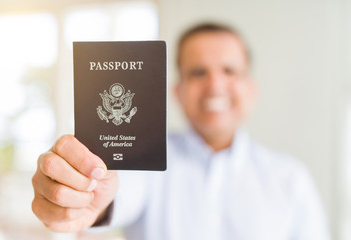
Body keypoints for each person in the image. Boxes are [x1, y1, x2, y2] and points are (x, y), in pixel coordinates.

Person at [32, 23, 330, 240]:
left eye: (229, 70)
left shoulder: (291, 179)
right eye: (198, 72)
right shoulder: (145, 161)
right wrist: (86, 198)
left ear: (250, 89)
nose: (215, 85)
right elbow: (114, 196)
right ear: (177, 91)